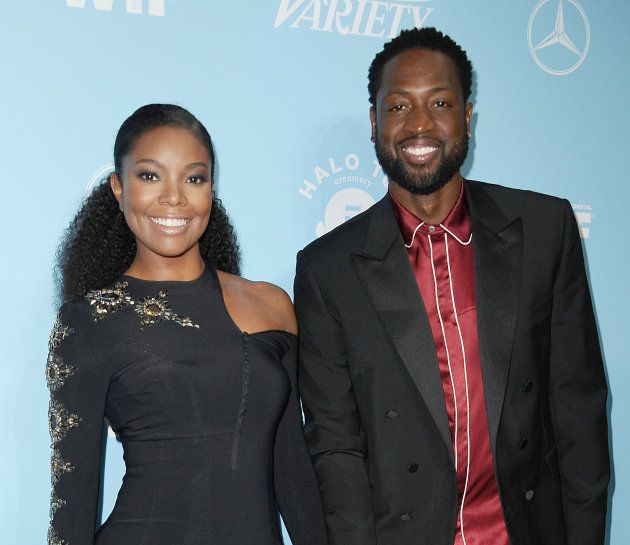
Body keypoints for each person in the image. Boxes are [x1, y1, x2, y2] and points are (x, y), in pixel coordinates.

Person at [294, 27, 609, 545]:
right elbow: (336, 449)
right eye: (398, 107)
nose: (419, 124)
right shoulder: (328, 270)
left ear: (467, 116)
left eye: (439, 102)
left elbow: (580, 413)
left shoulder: (544, 229)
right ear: (374, 123)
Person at [47, 103, 327, 545]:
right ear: (118, 188)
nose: (174, 197)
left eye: (194, 178)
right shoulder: (89, 320)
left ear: (211, 190)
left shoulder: (271, 304)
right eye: (150, 175)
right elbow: (72, 500)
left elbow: (293, 469)